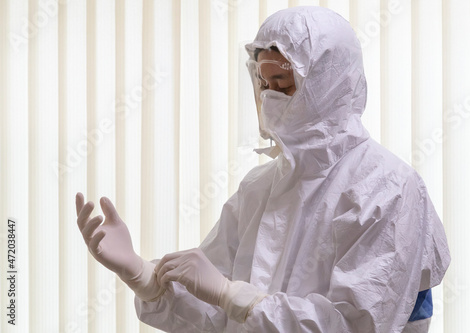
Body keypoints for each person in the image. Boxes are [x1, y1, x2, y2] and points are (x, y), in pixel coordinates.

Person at [76, 6, 450, 332]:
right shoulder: (260, 188)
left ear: (327, 83)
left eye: (283, 84)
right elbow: (215, 318)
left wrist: (233, 295)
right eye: (263, 83)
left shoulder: (388, 188)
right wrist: (145, 278)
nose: (269, 96)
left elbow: (355, 325)